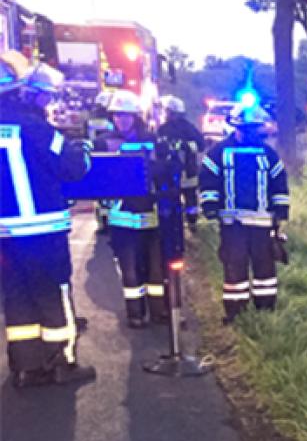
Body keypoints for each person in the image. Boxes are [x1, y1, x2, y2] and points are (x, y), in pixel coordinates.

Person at [0, 51, 97, 387]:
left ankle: (26, 367)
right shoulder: (36, 128)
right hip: (42, 231)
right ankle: (61, 362)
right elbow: (73, 167)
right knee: (53, 291)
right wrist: (83, 148)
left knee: (17, 295)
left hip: (5, 235)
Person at [94, 90, 179, 328]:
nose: (121, 120)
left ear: (135, 117)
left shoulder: (153, 141)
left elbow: (167, 172)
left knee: (155, 270)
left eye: (126, 115)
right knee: (130, 271)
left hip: (151, 216)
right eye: (117, 115)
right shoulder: (103, 142)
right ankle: (135, 314)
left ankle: (158, 311)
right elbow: (98, 178)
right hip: (121, 217)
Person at [199, 104, 289, 324]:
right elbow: (208, 181)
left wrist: (281, 213)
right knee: (235, 267)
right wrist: (210, 206)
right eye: (245, 129)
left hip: (262, 224)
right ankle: (235, 313)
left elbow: (279, 185)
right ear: (236, 127)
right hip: (233, 225)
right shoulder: (218, 153)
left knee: (265, 269)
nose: (249, 133)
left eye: (253, 129)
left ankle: (265, 310)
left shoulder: (269, 155)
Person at [157, 95, 206, 232]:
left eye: (168, 111)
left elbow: (201, 145)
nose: (166, 114)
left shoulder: (186, 129)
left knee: (189, 199)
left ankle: (189, 222)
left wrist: (184, 146)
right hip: (176, 172)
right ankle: (187, 223)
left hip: (185, 171)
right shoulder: (165, 129)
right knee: (185, 198)